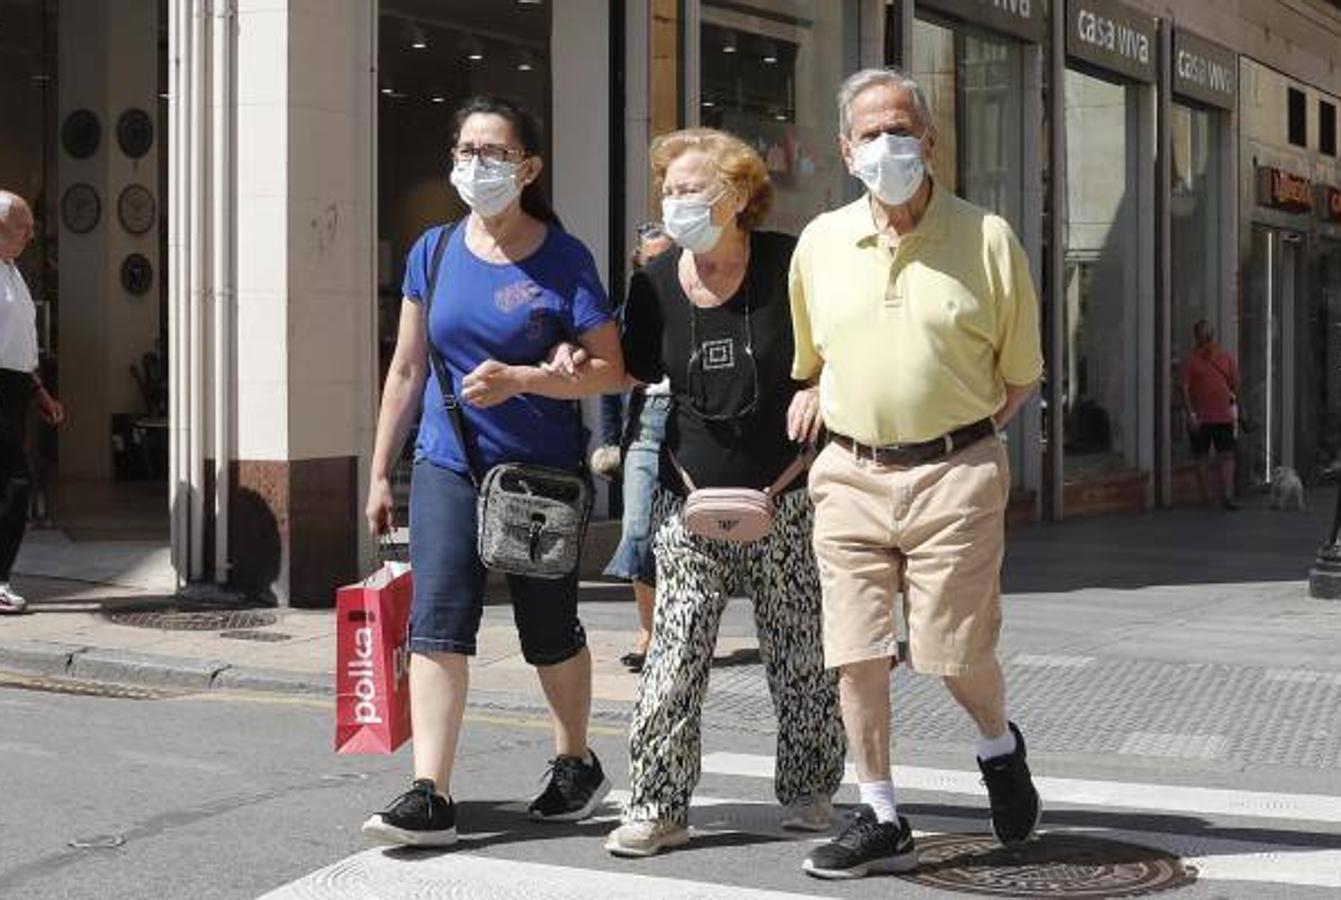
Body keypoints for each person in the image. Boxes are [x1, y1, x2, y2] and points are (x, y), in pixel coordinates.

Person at [788, 69, 1043, 879]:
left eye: (901, 129)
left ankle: (999, 749)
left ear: (929, 140)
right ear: (845, 148)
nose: (887, 145)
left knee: (950, 652)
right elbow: (812, 359)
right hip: (848, 476)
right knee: (854, 651)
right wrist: (817, 399)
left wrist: (955, 443)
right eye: (869, 133)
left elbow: (1020, 375)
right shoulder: (819, 243)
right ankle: (880, 811)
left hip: (955, 472)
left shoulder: (987, 237)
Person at [361, 96, 625, 847]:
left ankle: (574, 759)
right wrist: (381, 472)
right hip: (448, 464)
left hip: (537, 474)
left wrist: (526, 379)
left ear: (529, 168)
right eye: (467, 150)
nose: (477, 165)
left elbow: (611, 370)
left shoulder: (562, 256)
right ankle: (430, 790)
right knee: (437, 622)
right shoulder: (433, 250)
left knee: (548, 631)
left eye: (496, 153)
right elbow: (407, 368)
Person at [603, 127, 845, 858]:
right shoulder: (652, 281)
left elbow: (842, 342)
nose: (675, 204)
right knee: (672, 657)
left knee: (799, 652)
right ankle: (655, 803)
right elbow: (632, 372)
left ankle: (808, 788)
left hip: (787, 495)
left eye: (690, 189)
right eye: (668, 191)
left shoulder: (789, 263)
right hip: (690, 501)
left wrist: (823, 385)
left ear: (737, 195)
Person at [604, 222, 674, 673]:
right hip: (646, 427)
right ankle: (648, 630)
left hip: (691, 426)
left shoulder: (697, 299)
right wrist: (611, 439)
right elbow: (611, 381)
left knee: (683, 537)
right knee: (637, 531)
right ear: (637, 264)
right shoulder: (626, 312)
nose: (657, 269)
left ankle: (675, 632)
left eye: (665, 259)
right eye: (650, 261)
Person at [0, 191, 64, 615]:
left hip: (15, 386)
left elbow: (21, 343)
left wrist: (38, 391)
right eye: (24, 226)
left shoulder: (13, 271)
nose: (31, 234)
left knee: (13, 483)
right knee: (14, 484)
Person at [1180, 320, 1239, 510]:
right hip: (1201, 416)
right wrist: (1191, 413)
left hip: (1223, 415)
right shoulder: (1190, 360)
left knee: (1227, 455)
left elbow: (1235, 382)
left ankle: (1227, 496)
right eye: (1202, 336)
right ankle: (1206, 496)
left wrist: (1231, 400)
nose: (1206, 340)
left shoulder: (1225, 357)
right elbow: (1184, 388)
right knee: (1201, 456)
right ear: (1196, 337)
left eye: (1208, 335)